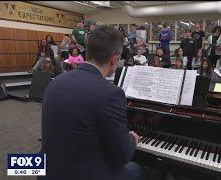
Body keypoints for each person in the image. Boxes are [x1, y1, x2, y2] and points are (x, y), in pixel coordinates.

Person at [39, 26, 146, 180]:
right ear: (115, 59)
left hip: (47, 170)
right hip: (82, 174)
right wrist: (132, 138)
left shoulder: (56, 82)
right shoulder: (111, 94)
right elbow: (122, 156)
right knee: (136, 170)